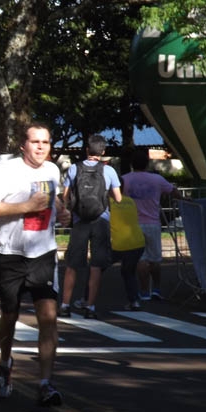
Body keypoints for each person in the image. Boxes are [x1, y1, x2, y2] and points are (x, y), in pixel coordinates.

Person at [0, 123, 71, 406]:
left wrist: (62, 211)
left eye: (46, 142)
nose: (41, 147)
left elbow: (53, 198)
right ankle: (6, 362)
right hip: (11, 254)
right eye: (35, 142)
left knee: (48, 317)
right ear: (23, 145)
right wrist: (26, 207)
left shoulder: (53, 170)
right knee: (10, 316)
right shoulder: (7, 171)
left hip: (43, 253)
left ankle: (45, 384)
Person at [59, 134, 121, 319]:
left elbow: (65, 195)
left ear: (87, 150)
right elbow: (117, 198)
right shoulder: (108, 171)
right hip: (101, 221)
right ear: (103, 152)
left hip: (79, 221)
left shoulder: (74, 168)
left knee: (72, 264)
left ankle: (65, 305)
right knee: (96, 265)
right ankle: (90, 307)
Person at [121, 148, 183, 300]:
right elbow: (173, 191)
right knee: (155, 259)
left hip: (133, 224)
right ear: (147, 164)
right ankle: (156, 288)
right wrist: (185, 200)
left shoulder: (125, 179)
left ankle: (143, 291)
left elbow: (116, 197)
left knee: (141, 259)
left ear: (131, 164)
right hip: (153, 222)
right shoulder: (157, 179)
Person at [108, 192, 145, 310]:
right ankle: (134, 301)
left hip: (119, 243)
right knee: (129, 272)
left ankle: (86, 299)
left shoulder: (107, 202)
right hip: (137, 241)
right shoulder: (130, 201)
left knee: (96, 268)